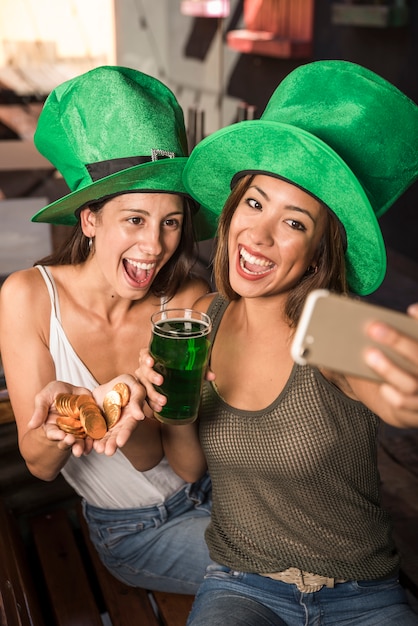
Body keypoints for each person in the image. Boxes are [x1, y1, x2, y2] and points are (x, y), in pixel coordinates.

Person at [138, 60, 418, 624]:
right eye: (255, 203)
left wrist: (408, 390)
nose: (259, 235)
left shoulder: (332, 323)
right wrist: (169, 407)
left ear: (319, 251)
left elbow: (390, 388)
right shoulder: (199, 323)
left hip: (360, 594)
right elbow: (189, 470)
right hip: (242, 587)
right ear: (233, 208)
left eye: (295, 223)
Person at [0, 65, 219, 595]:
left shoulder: (185, 302)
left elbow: (178, 461)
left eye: (171, 222)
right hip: (136, 531)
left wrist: (133, 399)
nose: (155, 245)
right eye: (135, 219)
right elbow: (40, 464)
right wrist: (71, 420)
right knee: (287, 581)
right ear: (90, 220)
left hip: (217, 495)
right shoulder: (29, 297)